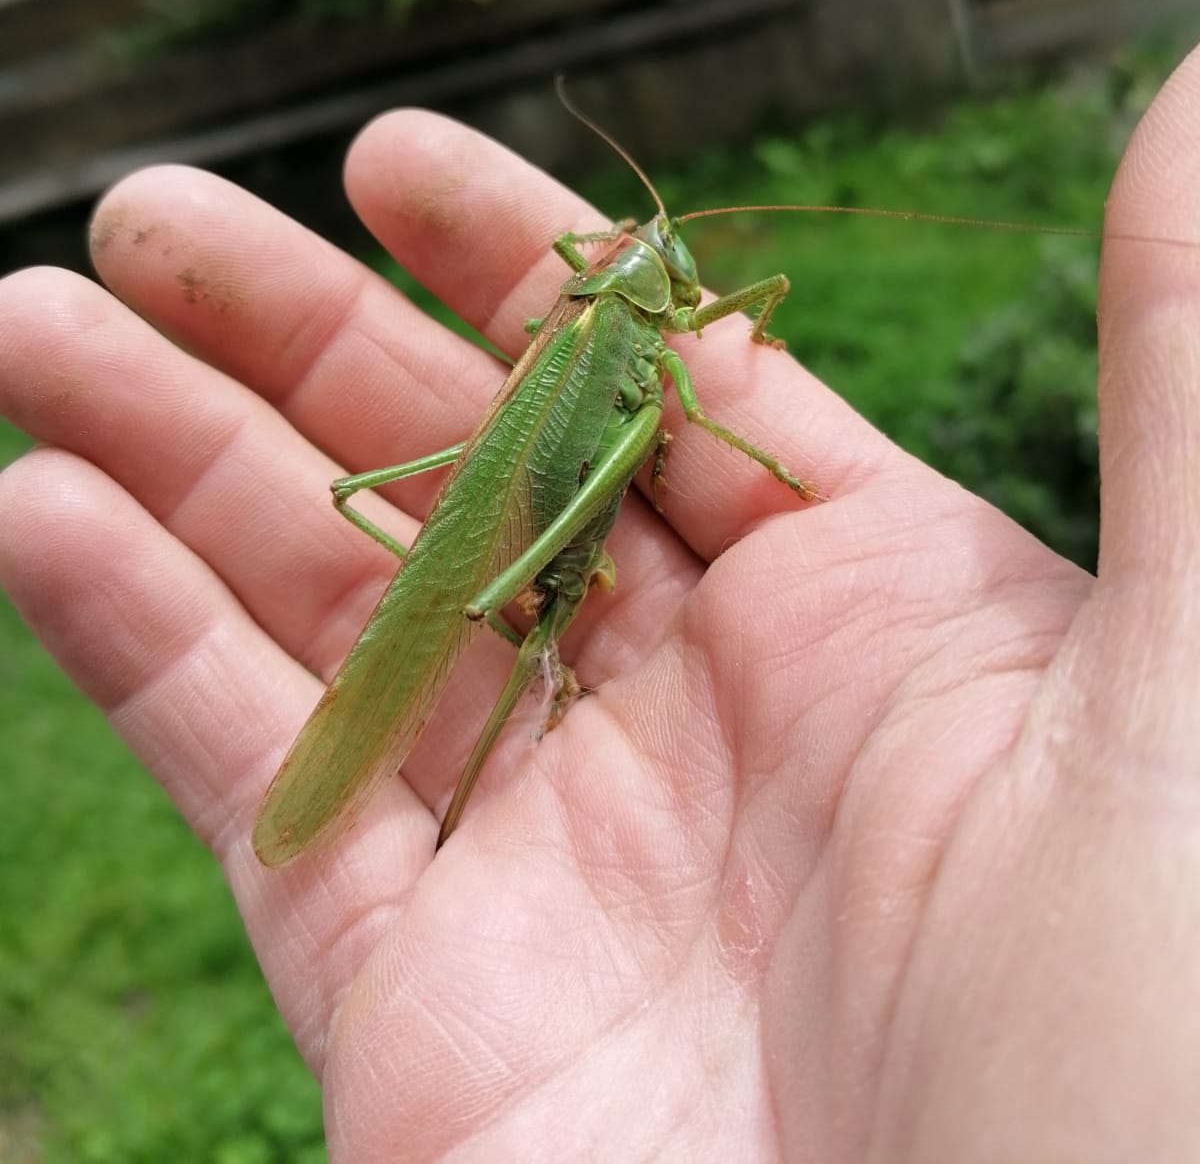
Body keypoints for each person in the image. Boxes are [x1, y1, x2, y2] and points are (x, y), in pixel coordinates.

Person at [0, 58, 1197, 1163]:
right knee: (577, 462)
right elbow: (676, 400)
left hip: (553, 494)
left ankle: (509, 651)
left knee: (586, 477)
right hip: (542, 496)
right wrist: (717, 445)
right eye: (656, 257)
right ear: (638, 277)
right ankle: (504, 649)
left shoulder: (591, 297)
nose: (672, 268)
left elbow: (683, 334)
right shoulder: (616, 317)